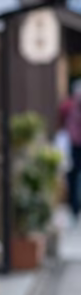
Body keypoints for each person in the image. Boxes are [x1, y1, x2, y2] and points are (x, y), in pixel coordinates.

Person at [60, 80, 81, 220]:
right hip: (74, 145)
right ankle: (74, 207)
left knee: (73, 177)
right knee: (73, 176)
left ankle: (74, 207)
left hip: (74, 144)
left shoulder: (68, 105)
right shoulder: (68, 106)